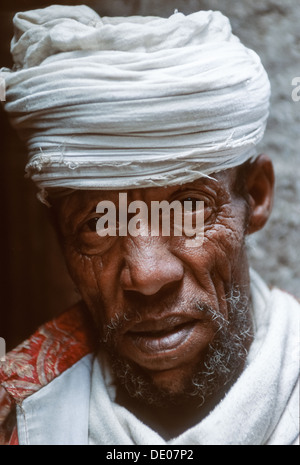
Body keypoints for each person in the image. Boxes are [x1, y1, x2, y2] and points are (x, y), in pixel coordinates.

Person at [0, 5, 299, 446]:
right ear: (60, 236)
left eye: (188, 208)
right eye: (98, 224)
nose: (146, 276)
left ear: (254, 196)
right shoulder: (20, 418)